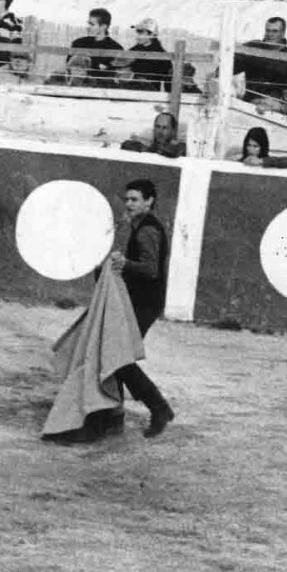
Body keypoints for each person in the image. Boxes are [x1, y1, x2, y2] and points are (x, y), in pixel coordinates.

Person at [109, 179, 174, 438]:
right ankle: (115, 413)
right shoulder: (141, 225)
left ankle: (159, 408)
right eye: (127, 199)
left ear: (149, 201)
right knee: (117, 354)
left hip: (145, 303)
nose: (128, 204)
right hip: (140, 300)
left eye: (134, 199)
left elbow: (150, 269)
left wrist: (125, 263)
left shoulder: (147, 230)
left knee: (119, 358)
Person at [237, 15, 287, 105]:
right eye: (268, 30)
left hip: (276, 107)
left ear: (283, 33)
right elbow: (230, 66)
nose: (270, 35)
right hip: (250, 104)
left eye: (275, 31)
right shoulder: (253, 48)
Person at [66, 7, 122, 85]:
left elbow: (113, 75)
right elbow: (69, 67)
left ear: (103, 26)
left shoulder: (116, 48)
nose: (88, 27)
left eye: (92, 24)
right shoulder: (78, 43)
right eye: (88, 23)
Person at [122, 18, 172, 87]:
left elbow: (166, 81)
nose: (137, 36)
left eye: (141, 32)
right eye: (137, 32)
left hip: (150, 92)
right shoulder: (133, 50)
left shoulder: (162, 56)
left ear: (152, 35)